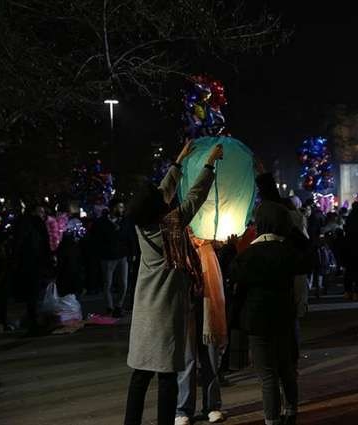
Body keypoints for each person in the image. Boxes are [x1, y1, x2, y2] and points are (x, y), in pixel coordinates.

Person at [123, 142, 221, 425]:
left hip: (144, 312)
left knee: (140, 375)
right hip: (168, 311)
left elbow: (162, 192)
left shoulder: (143, 227)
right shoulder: (173, 225)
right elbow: (196, 195)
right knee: (167, 375)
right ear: (159, 207)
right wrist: (208, 164)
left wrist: (178, 161)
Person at [230, 200, 310, 425]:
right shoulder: (287, 252)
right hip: (284, 317)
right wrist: (294, 231)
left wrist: (229, 249)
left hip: (256, 321)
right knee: (287, 370)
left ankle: (272, 420)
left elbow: (235, 276)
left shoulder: (248, 255)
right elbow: (310, 258)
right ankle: (291, 412)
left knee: (268, 376)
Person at [175, 233, 228, 425]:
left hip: (208, 301)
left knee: (210, 356)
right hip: (185, 301)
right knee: (187, 357)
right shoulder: (177, 240)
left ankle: (212, 406)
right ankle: (183, 409)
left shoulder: (209, 241)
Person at [12, 204, 53, 336]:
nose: (43, 214)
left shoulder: (29, 224)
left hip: (32, 263)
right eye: (40, 211)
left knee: (33, 295)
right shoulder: (33, 224)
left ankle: (34, 322)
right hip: (33, 263)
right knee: (33, 294)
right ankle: (34, 323)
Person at [92, 199, 136, 317]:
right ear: (113, 208)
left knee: (124, 283)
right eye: (120, 207)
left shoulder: (125, 222)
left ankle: (119, 306)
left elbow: (130, 237)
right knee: (108, 283)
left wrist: (132, 253)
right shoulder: (101, 222)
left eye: (122, 207)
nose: (122, 210)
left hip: (122, 256)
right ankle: (110, 307)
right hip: (107, 257)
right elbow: (97, 239)